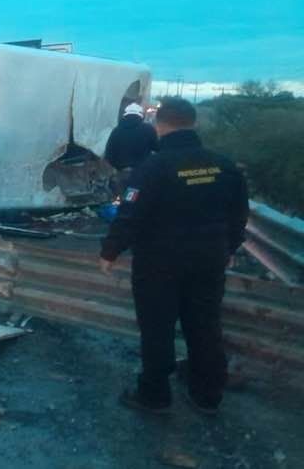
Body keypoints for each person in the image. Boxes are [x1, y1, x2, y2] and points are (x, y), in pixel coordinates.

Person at [99, 97, 248, 417]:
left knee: (157, 326)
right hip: (209, 260)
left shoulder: (152, 168)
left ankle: (154, 395)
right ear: (193, 123)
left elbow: (130, 214)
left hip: (159, 262)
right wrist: (230, 248)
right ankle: (208, 394)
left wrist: (110, 251)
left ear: (160, 125)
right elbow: (238, 215)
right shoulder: (224, 165)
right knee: (205, 324)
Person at [104, 102, 159, 195]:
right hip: (141, 174)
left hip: (122, 175)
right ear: (141, 115)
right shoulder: (148, 129)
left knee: (124, 202)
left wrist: (118, 166)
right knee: (136, 202)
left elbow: (109, 155)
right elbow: (158, 149)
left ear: (125, 115)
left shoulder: (116, 131)